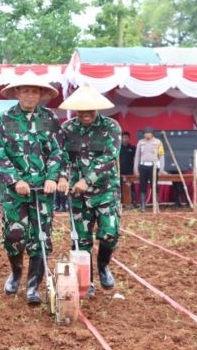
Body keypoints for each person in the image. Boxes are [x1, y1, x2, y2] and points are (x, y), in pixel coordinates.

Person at [0, 71, 67, 304]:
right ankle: (15, 272)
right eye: (25, 90)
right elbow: (0, 152)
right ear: (17, 92)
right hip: (16, 191)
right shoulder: (4, 119)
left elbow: (57, 151)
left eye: (35, 91)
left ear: (41, 94)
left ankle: (33, 286)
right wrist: (15, 180)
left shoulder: (50, 119)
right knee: (15, 236)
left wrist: (53, 177)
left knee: (41, 237)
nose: (30, 95)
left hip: (43, 190)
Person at [60, 86, 121, 297]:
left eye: (90, 110)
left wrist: (87, 180)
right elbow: (62, 157)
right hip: (78, 195)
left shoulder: (111, 127)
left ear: (97, 108)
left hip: (105, 191)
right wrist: (63, 177)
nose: (86, 114)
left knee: (109, 234)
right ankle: (88, 281)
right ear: (75, 110)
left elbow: (108, 158)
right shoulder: (67, 129)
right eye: (81, 110)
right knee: (81, 240)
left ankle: (103, 265)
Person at [133, 126, 164, 211]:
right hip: (143, 167)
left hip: (154, 166)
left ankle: (156, 204)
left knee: (154, 186)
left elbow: (161, 156)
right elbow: (137, 156)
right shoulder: (140, 142)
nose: (146, 135)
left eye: (148, 133)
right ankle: (143, 205)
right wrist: (135, 169)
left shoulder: (158, 142)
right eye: (145, 133)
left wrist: (161, 169)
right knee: (142, 186)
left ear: (152, 133)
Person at [119, 131, 136, 207]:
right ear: (121, 138)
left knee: (131, 188)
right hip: (120, 172)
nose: (125, 139)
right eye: (123, 137)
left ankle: (133, 202)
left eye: (126, 138)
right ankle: (120, 203)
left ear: (129, 139)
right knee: (120, 188)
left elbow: (136, 159)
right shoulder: (118, 148)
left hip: (130, 173)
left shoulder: (133, 148)